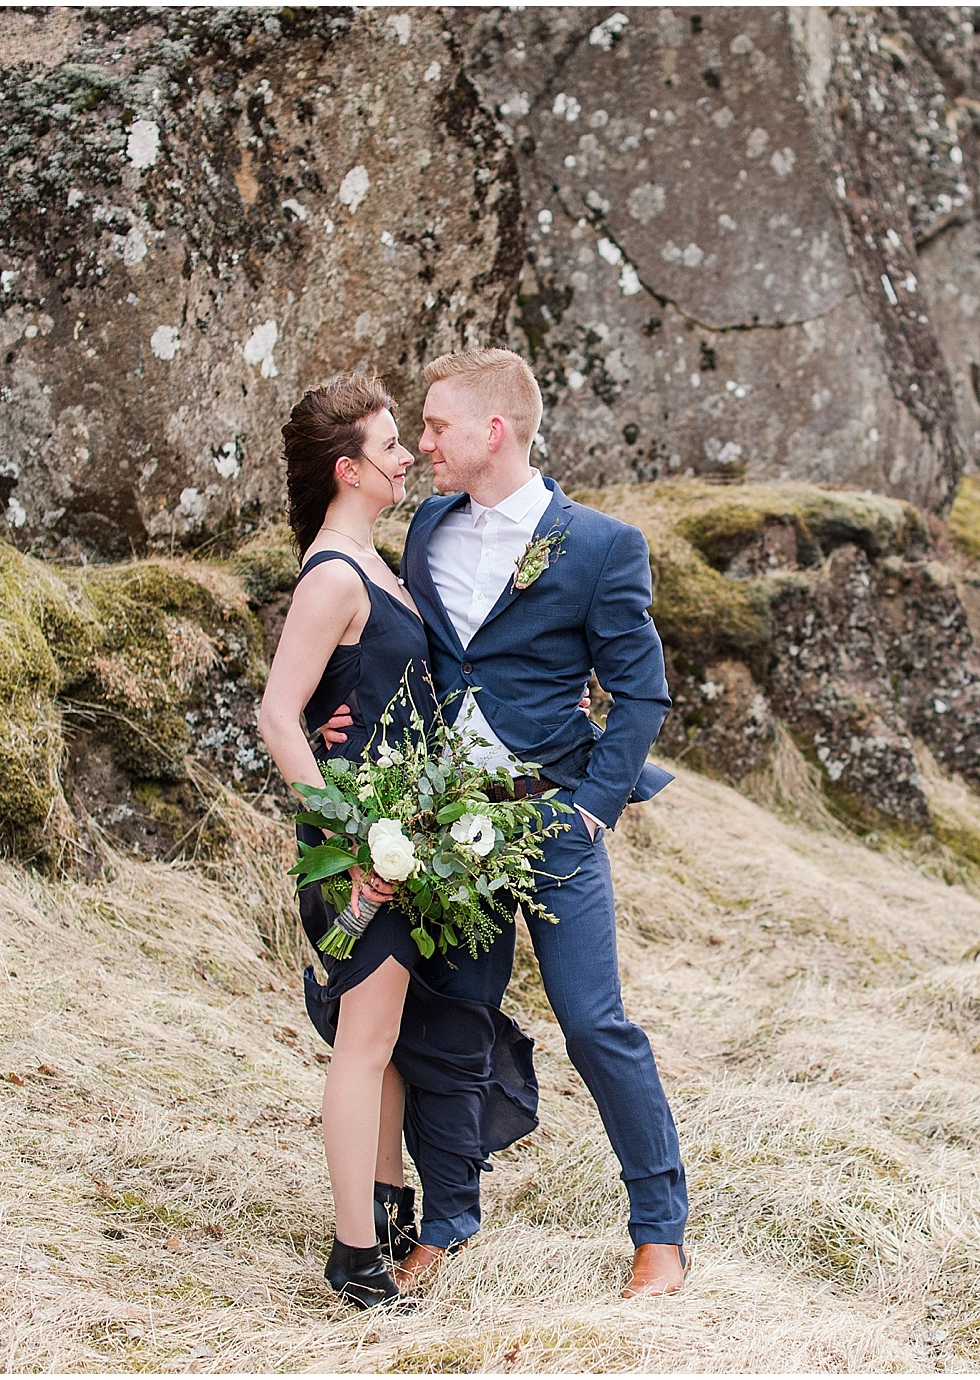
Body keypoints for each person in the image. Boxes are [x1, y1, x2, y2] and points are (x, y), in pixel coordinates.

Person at [318, 348, 688, 1298]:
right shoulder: (430, 526)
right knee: (451, 1027)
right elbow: (407, 649)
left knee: (595, 1023)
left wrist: (594, 811)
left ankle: (660, 1234)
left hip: (555, 824)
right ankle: (445, 1224)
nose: (422, 443)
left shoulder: (603, 547)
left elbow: (640, 694)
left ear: (495, 431)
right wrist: (345, 716)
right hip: (448, 834)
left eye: (436, 426)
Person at [255, 373, 538, 1309]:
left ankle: (383, 1206)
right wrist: (346, 831)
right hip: (358, 854)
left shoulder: (381, 561)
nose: (407, 454)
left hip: (399, 837)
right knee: (363, 1045)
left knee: (386, 1040)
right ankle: (352, 1256)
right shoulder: (333, 575)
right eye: (389, 445)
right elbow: (278, 717)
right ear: (349, 470)